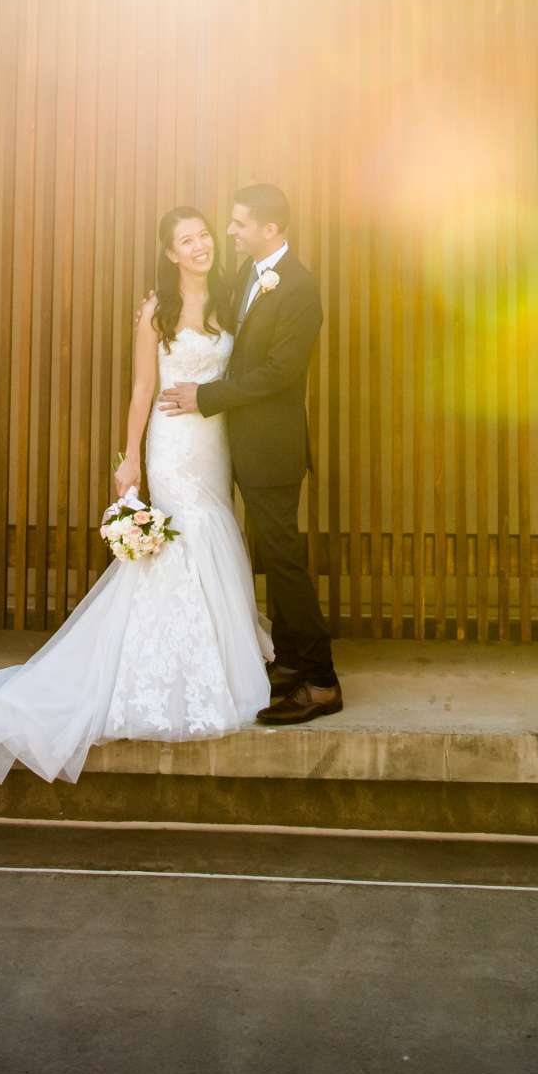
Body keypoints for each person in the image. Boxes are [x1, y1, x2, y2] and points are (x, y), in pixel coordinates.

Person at [0, 206, 271, 784]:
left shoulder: (234, 296)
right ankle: (159, 672)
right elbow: (141, 387)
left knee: (217, 534)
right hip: (173, 444)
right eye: (187, 240)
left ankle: (217, 660)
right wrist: (130, 458)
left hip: (216, 441)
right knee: (186, 539)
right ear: (171, 253)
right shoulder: (155, 312)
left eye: (204, 234)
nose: (201, 245)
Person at [156, 181, 342, 724]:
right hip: (238, 447)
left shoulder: (299, 288)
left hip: (274, 448)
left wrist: (205, 397)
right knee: (273, 557)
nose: (230, 232)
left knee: (285, 563)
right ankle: (288, 663)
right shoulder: (245, 278)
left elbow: (280, 373)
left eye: (239, 224)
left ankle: (322, 680)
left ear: (271, 229)